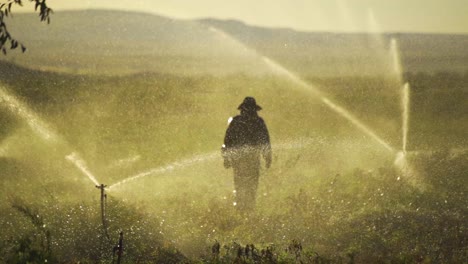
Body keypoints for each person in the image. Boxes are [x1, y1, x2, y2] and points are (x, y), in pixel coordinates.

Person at [222, 97, 272, 211]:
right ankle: (246, 210)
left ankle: (243, 210)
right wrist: (267, 157)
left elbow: (227, 141)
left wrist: (226, 158)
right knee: (248, 187)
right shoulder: (258, 122)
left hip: (242, 161)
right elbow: (265, 141)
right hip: (247, 162)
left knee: (242, 186)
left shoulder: (237, 121)